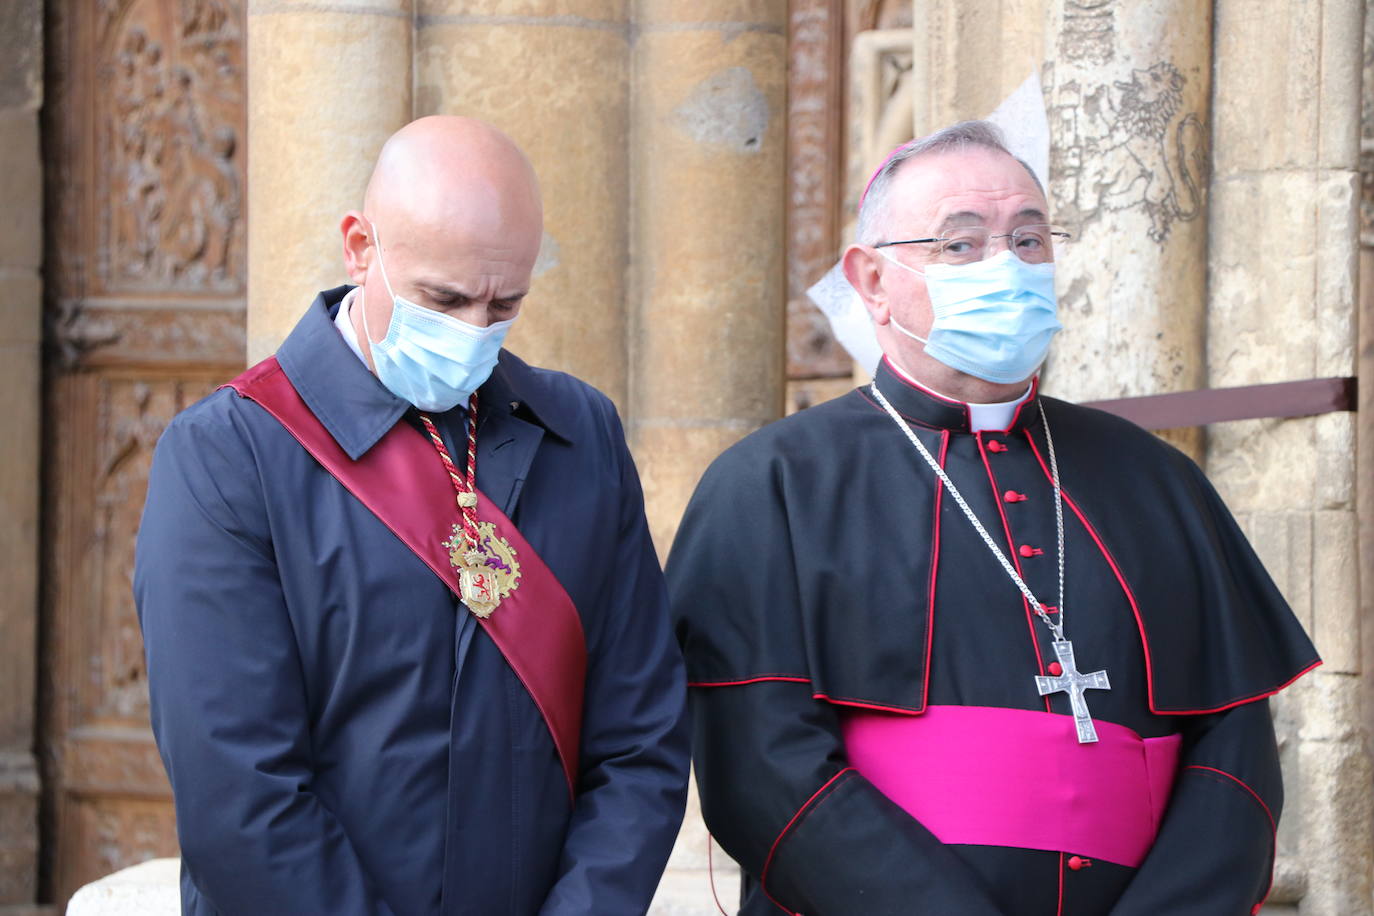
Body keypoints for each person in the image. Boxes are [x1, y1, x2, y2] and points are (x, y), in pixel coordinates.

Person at [667, 121, 1318, 916]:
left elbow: (1236, 755)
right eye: (961, 245)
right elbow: (762, 769)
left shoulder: (1158, 481)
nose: (1007, 266)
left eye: (1030, 239)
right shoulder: (771, 486)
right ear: (871, 280)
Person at [135, 116, 690, 916]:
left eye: (506, 302)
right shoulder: (229, 455)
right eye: (445, 298)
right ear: (361, 247)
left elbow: (641, 739)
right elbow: (239, 794)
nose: (475, 331)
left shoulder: (581, 434)